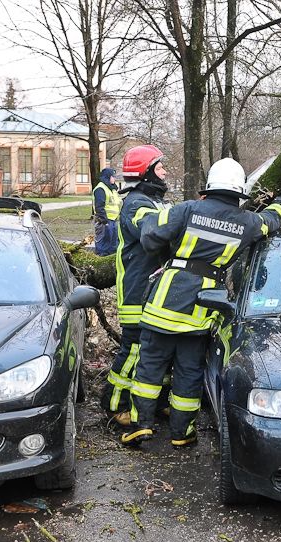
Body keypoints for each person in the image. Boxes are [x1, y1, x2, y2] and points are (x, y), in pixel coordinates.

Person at [120, 158, 281, 447]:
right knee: (189, 372)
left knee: (149, 368)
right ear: (239, 192)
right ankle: (182, 433)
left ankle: (141, 425)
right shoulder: (248, 222)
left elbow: (150, 233)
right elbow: (272, 219)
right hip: (203, 307)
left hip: (165, 302)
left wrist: (167, 251)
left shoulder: (187, 209)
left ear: (209, 187)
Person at [102, 146, 168, 427]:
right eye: (160, 167)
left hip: (153, 291)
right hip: (137, 292)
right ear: (146, 172)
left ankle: (156, 402)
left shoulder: (152, 201)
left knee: (157, 350)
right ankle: (115, 404)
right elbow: (154, 231)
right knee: (134, 350)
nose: (164, 172)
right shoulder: (136, 204)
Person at [93, 168, 121, 256]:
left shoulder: (112, 189)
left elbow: (117, 203)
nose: (114, 178)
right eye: (113, 176)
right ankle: (101, 260)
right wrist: (104, 221)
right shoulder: (100, 189)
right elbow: (99, 207)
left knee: (113, 245)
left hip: (113, 220)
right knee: (103, 246)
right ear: (107, 177)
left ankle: (111, 260)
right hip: (104, 221)